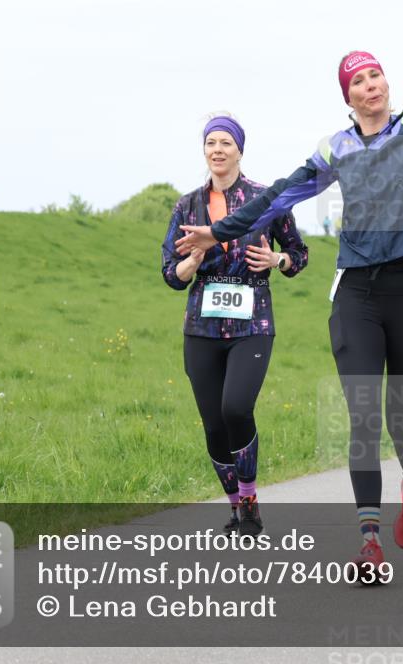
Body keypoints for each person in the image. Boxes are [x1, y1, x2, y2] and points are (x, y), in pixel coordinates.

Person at [176, 2, 403, 575]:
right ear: (348, 97)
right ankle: (369, 541)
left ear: (386, 84)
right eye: (359, 81)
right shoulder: (334, 149)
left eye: (376, 75)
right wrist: (217, 233)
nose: (371, 85)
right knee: (364, 415)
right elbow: (277, 198)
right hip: (356, 295)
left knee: (402, 421)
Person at [162, 115, 309, 536]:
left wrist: (277, 259)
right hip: (202, 328)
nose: (218, 150)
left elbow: (299, 255)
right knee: (213, 424)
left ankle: (249, 500)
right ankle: (237, 509)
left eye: (226, 142)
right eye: (211, 142)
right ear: (204, 150)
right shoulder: (187, 206)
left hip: (252, 324)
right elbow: (170, 273)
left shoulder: (266, 200)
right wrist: (189, 264)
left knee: (236, 408)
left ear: (240, 150)